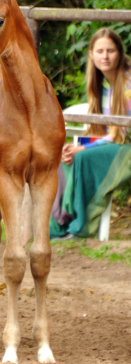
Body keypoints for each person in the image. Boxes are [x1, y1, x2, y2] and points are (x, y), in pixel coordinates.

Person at [50, 27, 131, 239]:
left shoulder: (128, 83)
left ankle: (80, 227)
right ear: (91, 54)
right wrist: (73, 147)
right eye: (100, 51)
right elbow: (104, 132)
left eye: (111, 51)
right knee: (60, 155)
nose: (105, 56)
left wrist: (83, 148)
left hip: (127, 146)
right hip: (115, 142)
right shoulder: (100, 84)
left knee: (83, 157)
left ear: (120, 53)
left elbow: (121, 132)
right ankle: (60, 224)